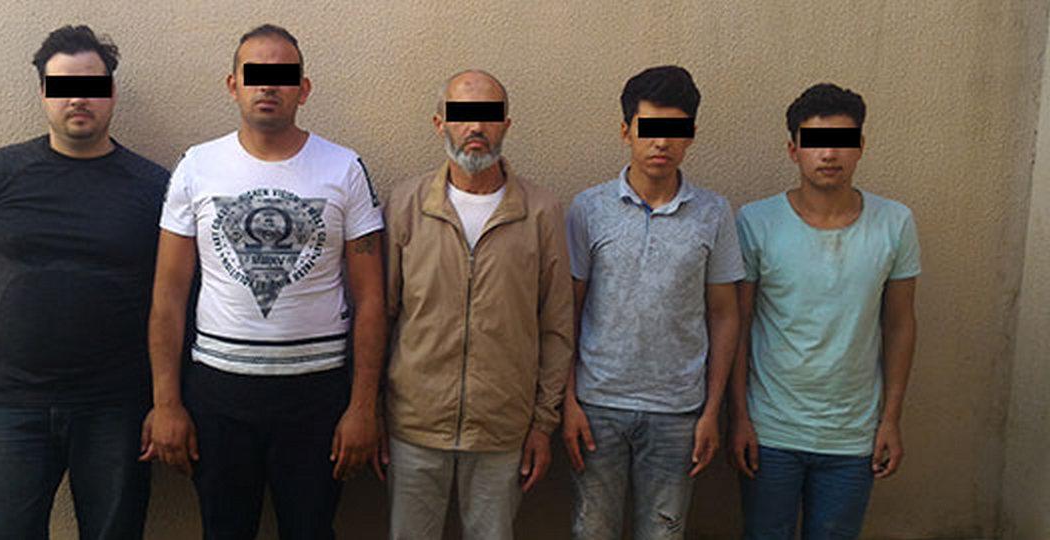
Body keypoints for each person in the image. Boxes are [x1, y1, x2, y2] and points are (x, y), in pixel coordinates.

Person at [141, 24, 386, 539]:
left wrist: (363, 407)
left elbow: (371, 300)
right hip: (218, 394)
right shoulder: (196, 167)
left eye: (283, 76)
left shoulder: (344, 169)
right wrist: (166, 403)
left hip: (318, 396)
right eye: (255, 75)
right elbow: (168, 296)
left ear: (304, 88)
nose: (268, 86)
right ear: (233, 85)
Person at [0, 24, 168, 540]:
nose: (78, 98)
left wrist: (167, 400)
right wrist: (16, 310)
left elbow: (177, 294)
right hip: (16, 405)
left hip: (117, 408)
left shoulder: (154, 187)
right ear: (43, 92)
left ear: (111, 92)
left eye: (92, 85)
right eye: (63, 86)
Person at [381, 69, 573, 540]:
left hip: (502, 430)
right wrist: (373, 411)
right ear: (439, 123)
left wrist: (542, 424)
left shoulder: (541, 211)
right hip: (414, 425)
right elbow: (381, 315)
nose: (475, 127)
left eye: (488, 115)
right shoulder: (406, 205)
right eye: (462, 115)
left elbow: (557, 327)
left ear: (506, 124)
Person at [729, 83, 920, 539]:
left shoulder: (894, 223)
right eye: (815, 141)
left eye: (842, 141)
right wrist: (739, 417)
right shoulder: (756, 222)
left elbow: (900, 324)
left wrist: (891, 419)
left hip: (852, 435)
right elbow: (738, 324)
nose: (829, 154)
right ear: (793, 150)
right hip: (771, 430)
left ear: (861, 146)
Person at [561, 65, 743, 540]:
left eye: (674, 130)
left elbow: (725, 315)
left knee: (664, 533)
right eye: (649, 129)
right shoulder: (588, 209)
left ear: (691, 135)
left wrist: (712, 410)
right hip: (598, 406)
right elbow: (567, 312)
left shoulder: (714, 213)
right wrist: (568, 401)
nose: (661, 143)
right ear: (626, 131)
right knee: (592, 531)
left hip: (678, 411)